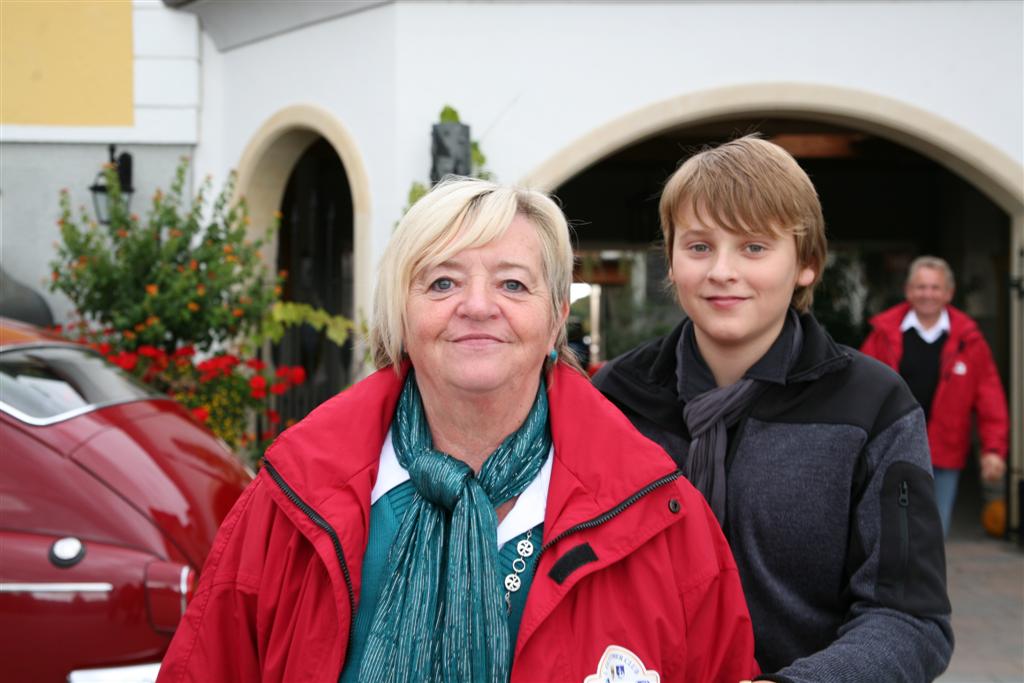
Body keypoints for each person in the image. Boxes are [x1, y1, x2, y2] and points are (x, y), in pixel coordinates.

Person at [157, 177, 757, 682]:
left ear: (555, 321)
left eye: (513, 284)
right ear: (401, 313)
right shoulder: (292, 499)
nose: (477, 305)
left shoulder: (659, 516)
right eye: (442, 282)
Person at [593, 136, 953, 682]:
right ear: (670, 258)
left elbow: (911, 618)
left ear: (806, 263)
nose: (722, 270)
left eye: (754, 247)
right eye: (698, 246)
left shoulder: (873, 406)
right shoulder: (614, 398)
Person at [860, 256, 1009, 536]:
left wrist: (993, 450)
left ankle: (927, 581)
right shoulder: (883, 335)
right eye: (920, 287)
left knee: (934, 532)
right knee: (890, 531)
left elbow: (990, 398)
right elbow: (861, 390)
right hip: (891, 447)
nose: (927, 294)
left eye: (934, 287)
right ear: (908, 290)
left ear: (948, 293)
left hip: (945, 449)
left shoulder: (969, 339)